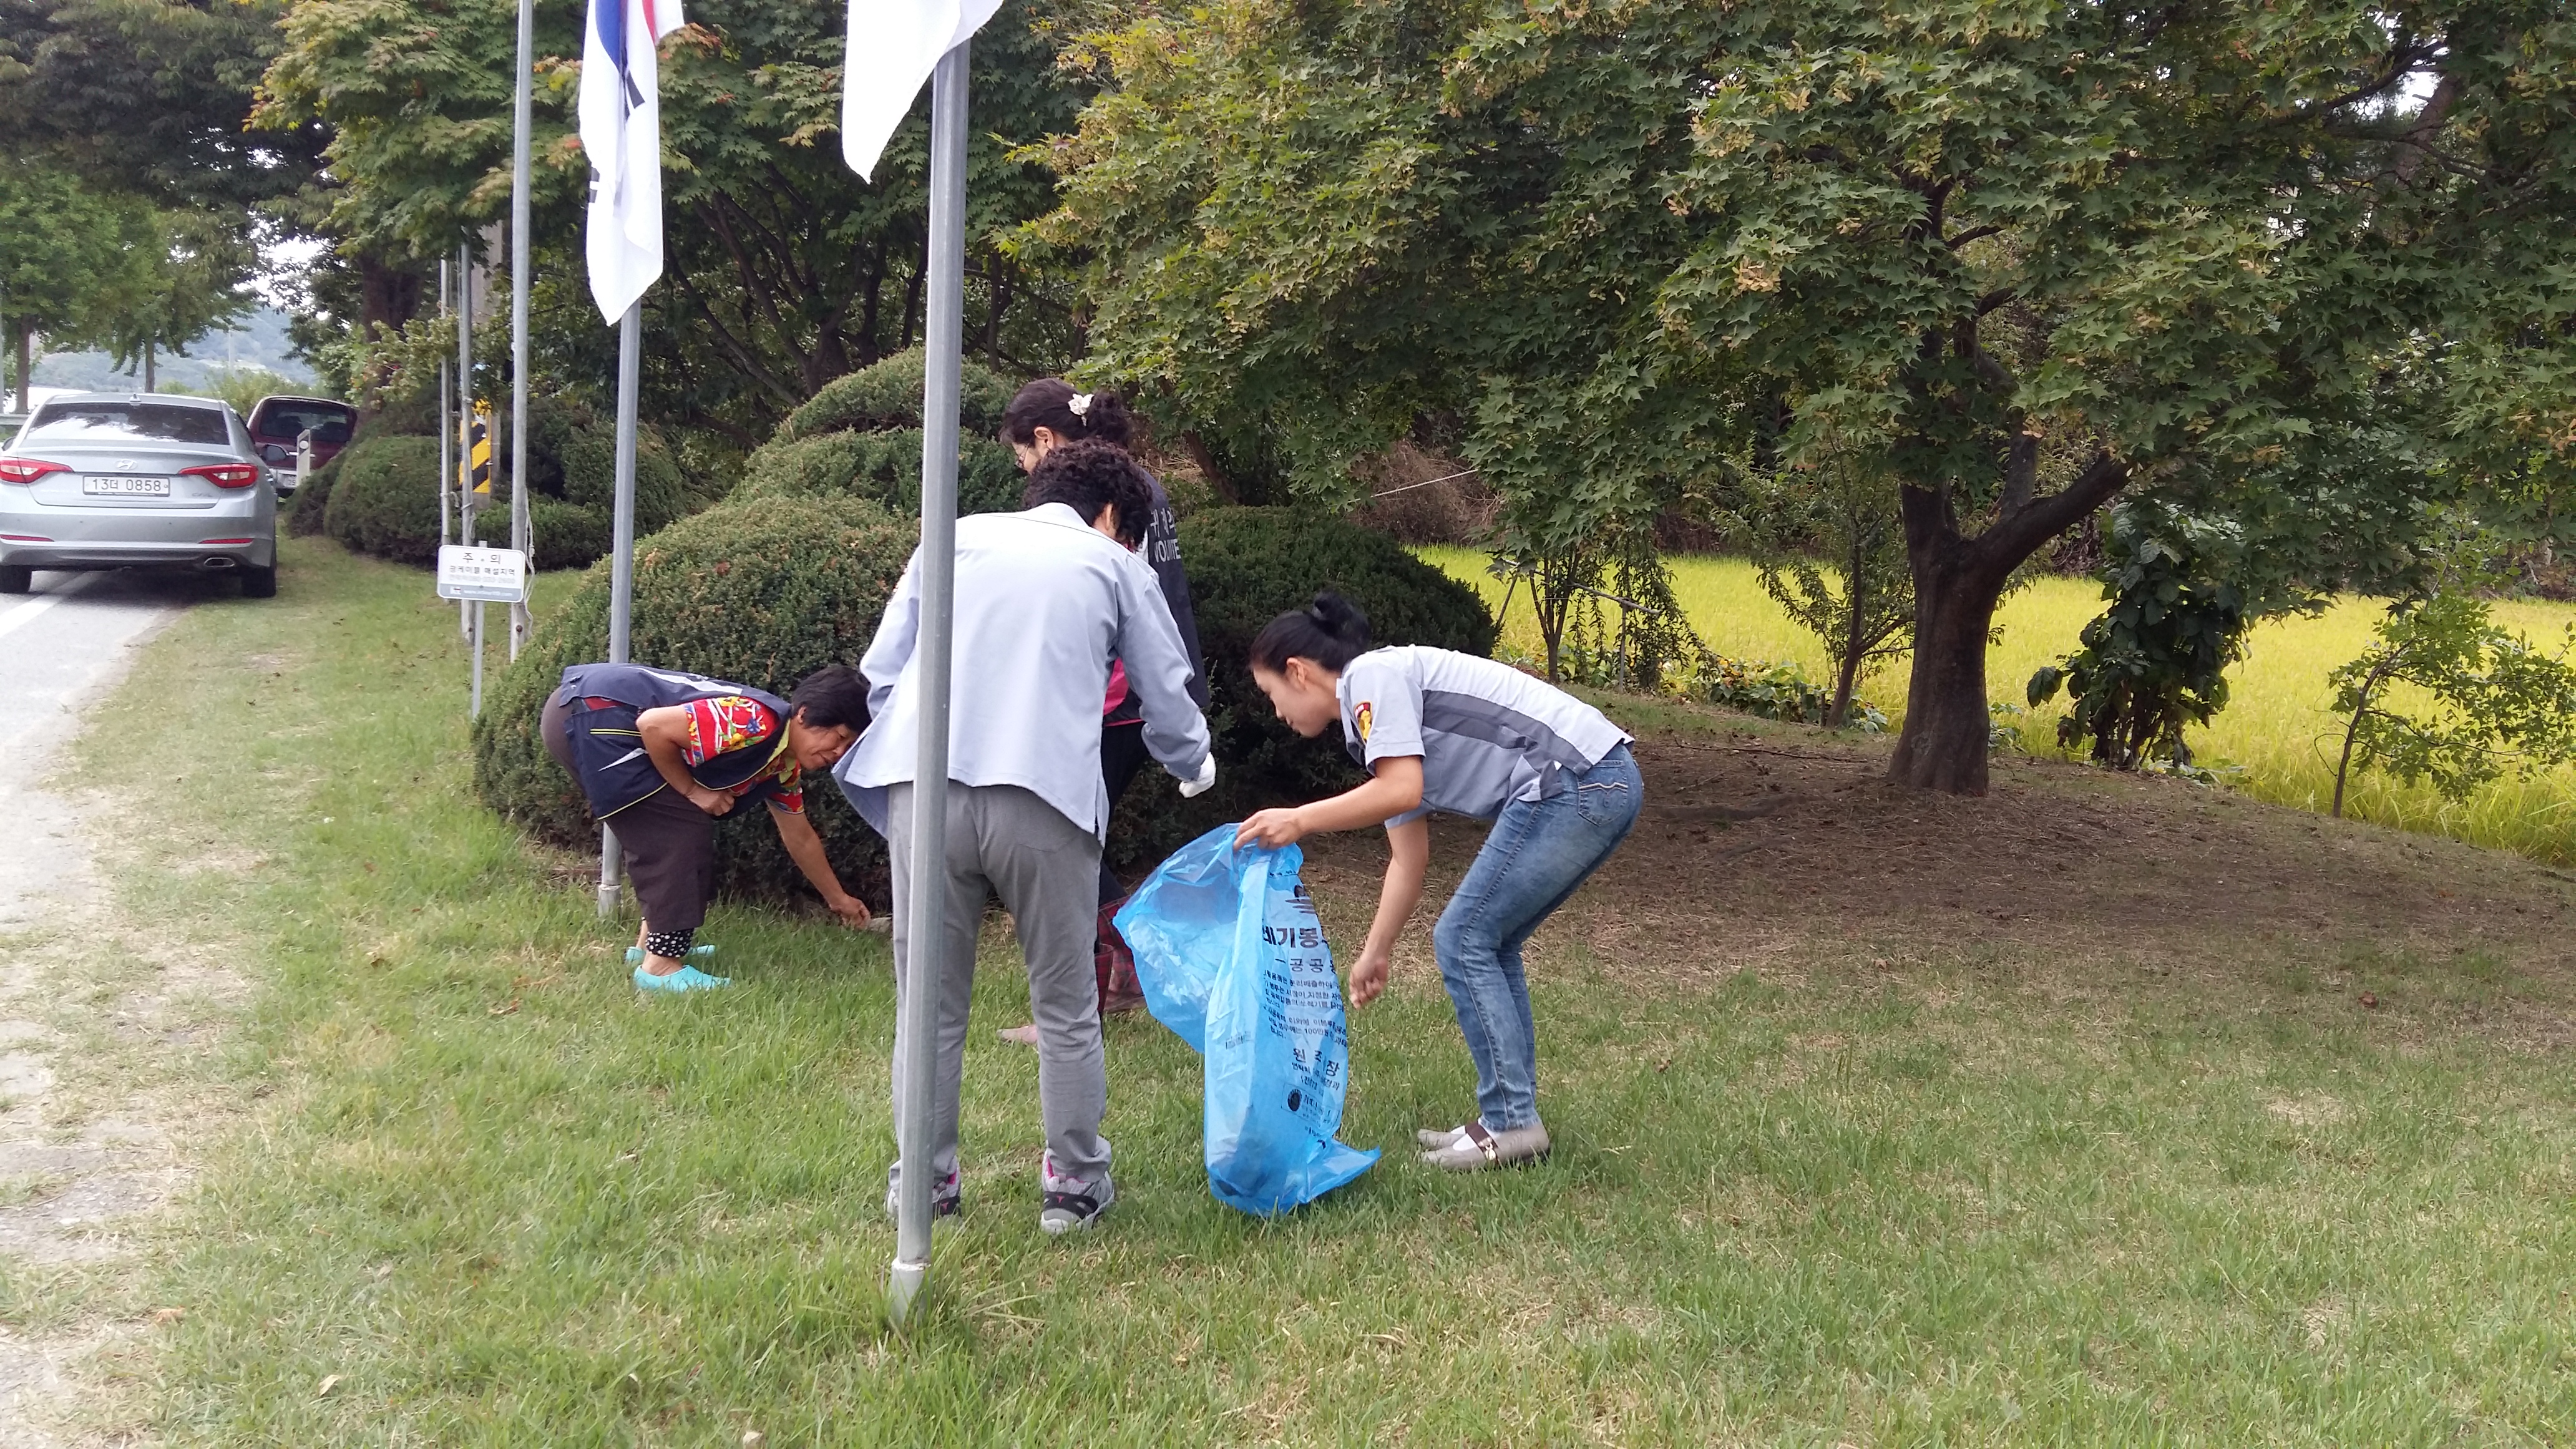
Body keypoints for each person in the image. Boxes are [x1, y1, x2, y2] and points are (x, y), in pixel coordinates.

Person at [838, 437, 1214, 1232]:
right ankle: (1074, 1186)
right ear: (1111, 515)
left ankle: (924, 1185)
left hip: (922, 785)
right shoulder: (1115, 567)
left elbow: (881, 674)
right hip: (1044, 793)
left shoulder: (950, 539)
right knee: (1067, 1003)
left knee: (928, 1005)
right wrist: (1194, 765)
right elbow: (1166, 693)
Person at [1233, 593, 1642, 1171]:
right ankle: (1510, 1118)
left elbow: (1400, 790)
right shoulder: (1374, 725)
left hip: (1576, 781)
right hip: (1593, 780)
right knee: (1487, 942)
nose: (1276, 711)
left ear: (1297, 672)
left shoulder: (1371, 678)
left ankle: (1512, 1124)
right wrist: (1376, 951)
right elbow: (1408, 858)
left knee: (1465, 939)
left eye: (1270, 693)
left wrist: (1300, 819)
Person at [996, 380, 1208, 1037]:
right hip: (1138, 698)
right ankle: (1118, 975)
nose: (1026, 472)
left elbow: (1117, 608)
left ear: (1044, 438)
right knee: (1069, 845)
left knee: (1059, 846)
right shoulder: (1138, 484)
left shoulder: (1103, 501)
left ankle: (1103, 982)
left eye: (1022, 456)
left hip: (1113, 701)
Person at [543, 662, 876, 992]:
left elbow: (800, 837)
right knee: (679, 830)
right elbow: (653, 726)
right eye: (839, 737)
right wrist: (693, 791)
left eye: (848, 747)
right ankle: (661, 965)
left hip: (584, 710)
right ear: (804, 715)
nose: (839, 752)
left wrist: (839, 900)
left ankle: (651, 948)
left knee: (673, 826)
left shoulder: (781, 767)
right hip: (590, 711)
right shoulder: (754, 721)